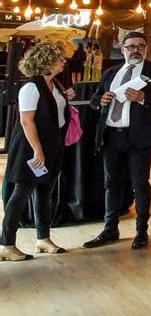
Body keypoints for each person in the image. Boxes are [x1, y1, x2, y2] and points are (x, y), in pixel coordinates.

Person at [83, 31, 151, 250]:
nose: (136, 50)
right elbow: (95, 98)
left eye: (141, 46)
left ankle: (142, 231)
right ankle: (110, 229)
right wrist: (100, 101)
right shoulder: (111, 72)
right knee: (111, 184)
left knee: (140, 185)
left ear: (146, 49)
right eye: (131, 46)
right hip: (112, 136)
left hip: (139, 138)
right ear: (122, 49)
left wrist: (143, 98)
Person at [2, 42, 72, 260]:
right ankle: (6, 244)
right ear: (46, 62)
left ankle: (43, 239)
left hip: (51, 146)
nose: (63, 61)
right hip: (30, 149)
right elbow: (26, 122)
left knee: (45, 193)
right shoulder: (31, 87)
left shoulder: (54, 84)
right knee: (21, 194)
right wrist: (38, 151)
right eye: (59, 58)